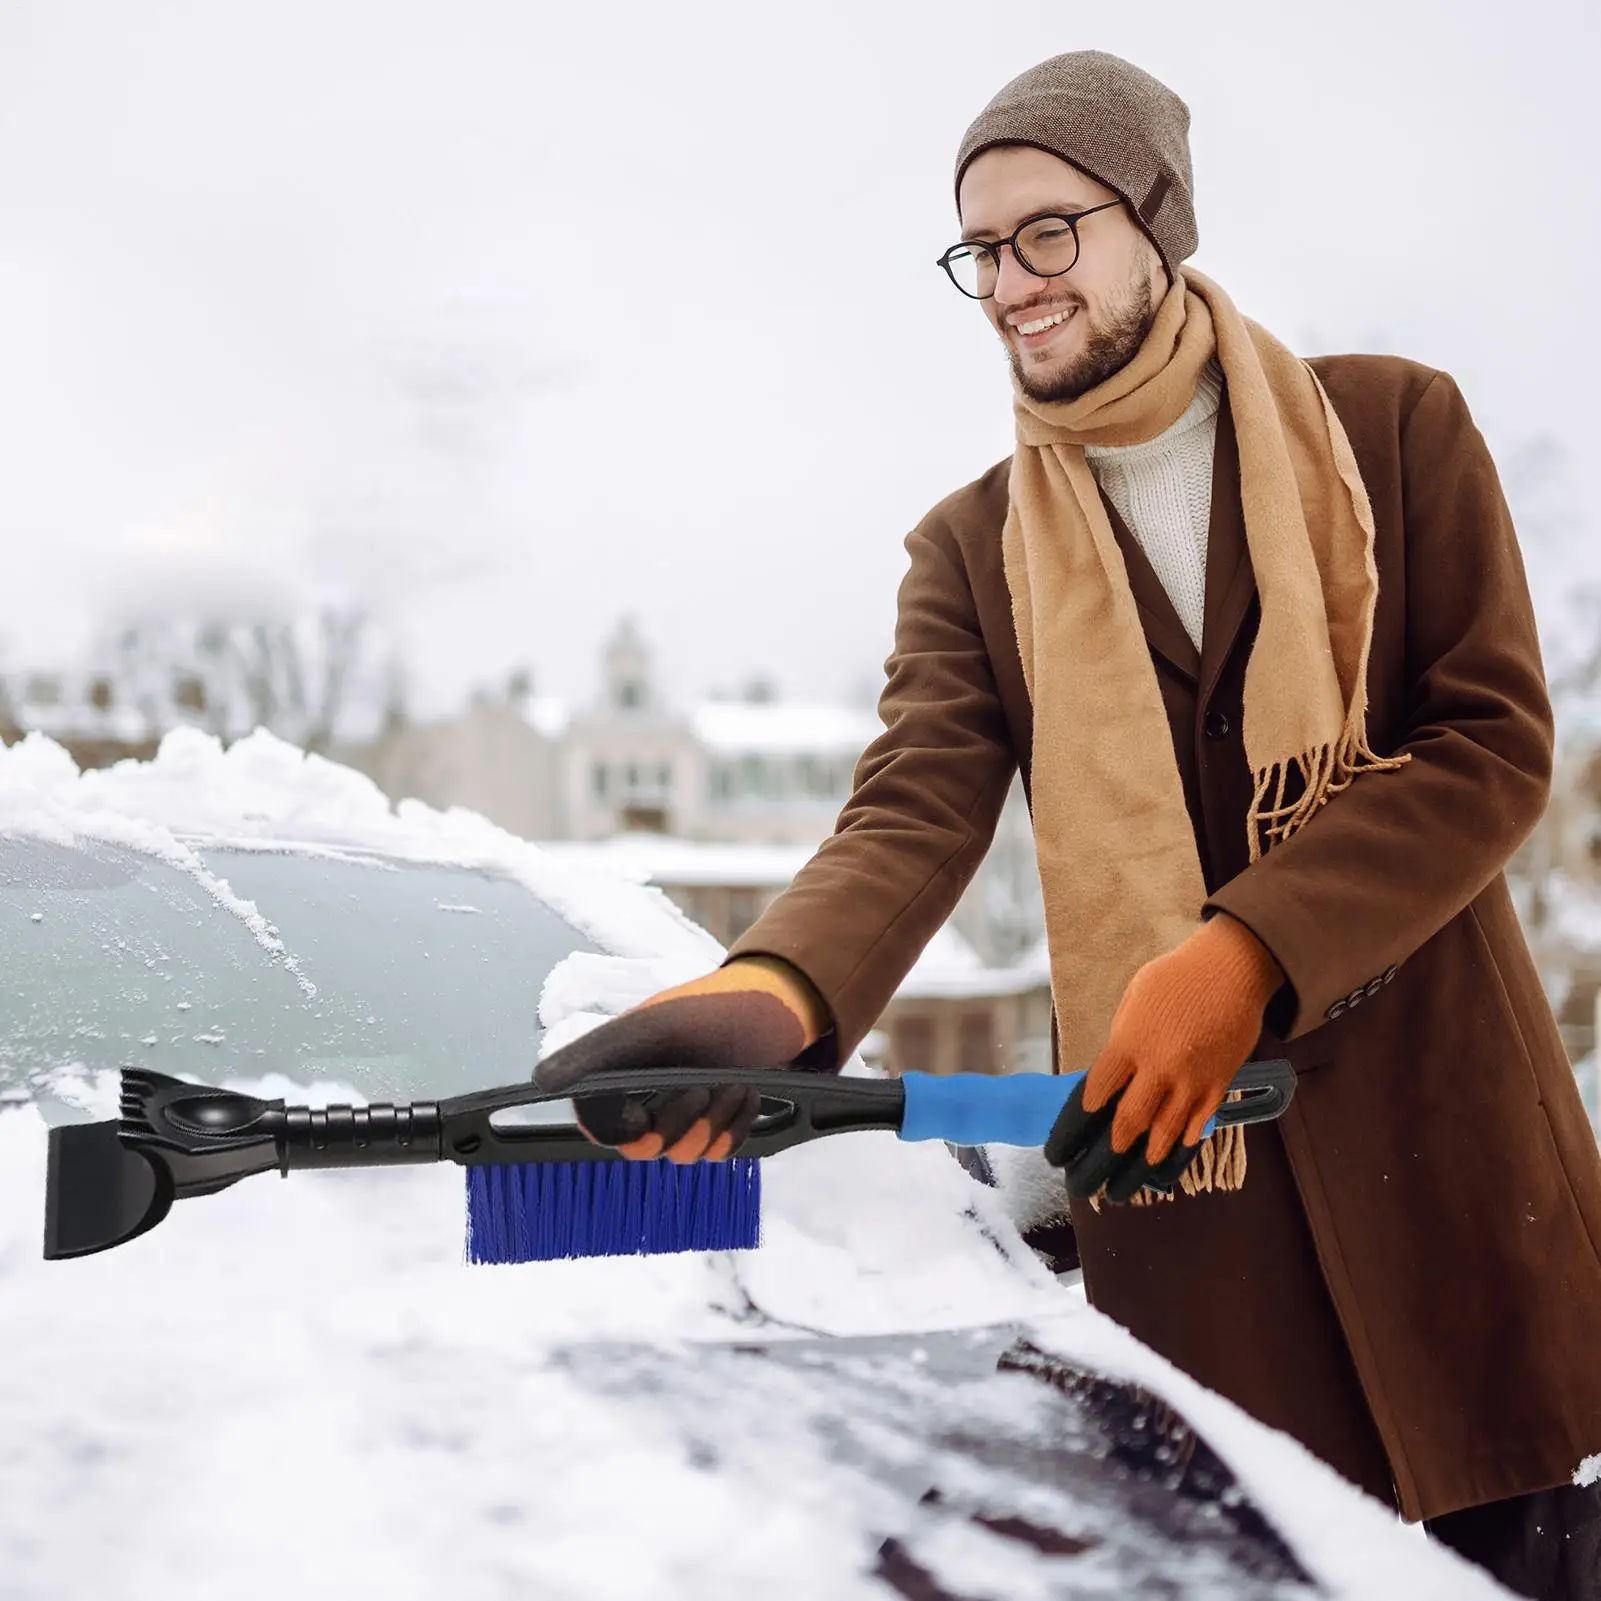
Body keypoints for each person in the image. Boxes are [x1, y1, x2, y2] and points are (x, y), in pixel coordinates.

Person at [536, 50, 1601, 1599]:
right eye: (982, 248)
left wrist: (1246, 955)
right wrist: (778, 991)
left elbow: (1489, 744)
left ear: (1156, 222)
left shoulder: (1389, 432)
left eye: (1052, 231)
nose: (1011, 285)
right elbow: (912, 810)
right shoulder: (972, 553)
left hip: (1460, 1188)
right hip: (1205, 1249)